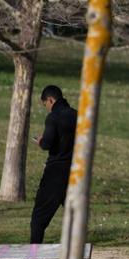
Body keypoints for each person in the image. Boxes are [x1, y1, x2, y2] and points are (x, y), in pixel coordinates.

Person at [30, 85, 76, 244]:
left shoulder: (53, 117)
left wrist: (41, 141)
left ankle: (33, 258)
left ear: (50, 100)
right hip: (75, 172)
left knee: (38, 218)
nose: (47, 109)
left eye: (45, 105)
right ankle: (76, 254)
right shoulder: (77, 115)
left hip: (55, 173)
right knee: (74, 215)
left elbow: (47, 144)